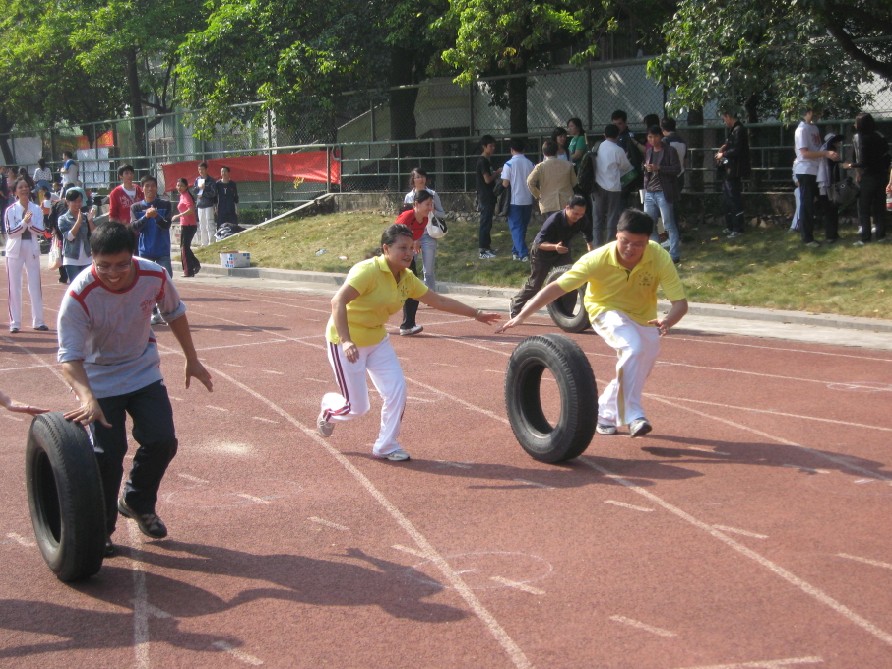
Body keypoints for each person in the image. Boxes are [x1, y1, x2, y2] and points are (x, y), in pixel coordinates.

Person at [58, 222, 213, 557]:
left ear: (133, 255)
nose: (113, 274)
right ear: (92, 258)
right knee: (108, 455)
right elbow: (69, 359)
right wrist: (87, 397)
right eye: (104, 266)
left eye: (121, 264)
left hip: (142, 370)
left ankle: (137, 501)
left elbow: (175, 313)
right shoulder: (79, 295)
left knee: (162, 440)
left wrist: (192, 359)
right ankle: (101, 529)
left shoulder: (154, 275)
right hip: (99, 378)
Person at [317, 223, 501, 461]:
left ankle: (386, 445)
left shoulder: (407, 278)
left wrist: (476, 313)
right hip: (346, 341)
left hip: (377, 340)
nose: (409, 253)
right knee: (357, 408)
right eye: (402, 248)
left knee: (397, 390)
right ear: (386, 249)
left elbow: (439, 301)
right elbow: (337, 301)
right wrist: (346, 341)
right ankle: (329, 410)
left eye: (411, 248)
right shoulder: (367, 271)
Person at [497, 209, 687, 438]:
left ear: (648, 241)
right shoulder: (597, 259)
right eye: (625, 241)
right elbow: (556, 287)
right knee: (632, 348)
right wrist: (522, 315)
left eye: (638, 244)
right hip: (604, 309)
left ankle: (604, 414)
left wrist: (668, 320)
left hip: (643, 316)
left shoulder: (658, 256)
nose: (630, 248)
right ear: (616, 235)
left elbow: (680, 304)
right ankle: (633, 415)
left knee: (637, 365)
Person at [509, 195, 592, 318]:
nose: (578, 217)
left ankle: (565, 314)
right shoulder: (554, 220)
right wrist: (555, 247)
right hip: (542, 252)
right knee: (535, 285)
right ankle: (515, 304)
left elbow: (588, 236)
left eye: (581, 214)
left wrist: (591, 252)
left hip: (562, 251)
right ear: (567, 208)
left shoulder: (582, 219)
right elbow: (539, 243)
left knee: (571, 281)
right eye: (575, 214)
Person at [4, 178, 48, 333]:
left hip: (31, 247)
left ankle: (39, 321)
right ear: (15, 191)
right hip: (14, 250)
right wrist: (24, 223)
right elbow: (11, 232)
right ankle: (15, 322)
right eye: (20, 187)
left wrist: (29, 224)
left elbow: (41, 230)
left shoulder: (36, 209)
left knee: (35, 284)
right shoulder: (10, 210)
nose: (24, 189)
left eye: (26, 187)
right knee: (14, 286)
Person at [131, 175, 173, 325]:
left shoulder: (165, 204)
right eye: (147, 186)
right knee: (147, 284)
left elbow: (167, 225)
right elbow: (134, 227)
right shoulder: (136, 207)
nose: (150, 189)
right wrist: (146, 217)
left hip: (162, 250)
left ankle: (166, 311)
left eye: (153, 186)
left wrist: (156, 217)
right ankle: (154, 313)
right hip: (145, 251)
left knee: (167, 280)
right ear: (142, 189)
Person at [794, 108, 839, 248]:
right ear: (808, 112)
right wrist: (825, 153)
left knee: (827, 202)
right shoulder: (801, 130)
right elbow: (805, 153)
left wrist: (828, 153)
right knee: (807, 205)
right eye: (815, 111)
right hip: (806, 171)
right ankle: (807, 238)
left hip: (818, 171)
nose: (818, 115)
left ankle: (831, 234)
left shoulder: (814, 128)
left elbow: (817, 148)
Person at [394, 189, 436, 336]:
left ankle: (408, 325)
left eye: (432, 204)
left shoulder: (424, 220)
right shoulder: (407, 216)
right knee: (380, 288)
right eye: (427, 204)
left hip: (406, 258)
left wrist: (414, 245)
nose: (430, 208)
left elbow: (414, 237)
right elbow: (392, 237)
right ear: (416, 204)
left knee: (413, 288)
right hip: (392, 258)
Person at [846, 112, 889, 246]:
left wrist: (850, 166)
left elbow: (862, 161)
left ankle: (865, 237)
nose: (855, 124)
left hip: (868, 176)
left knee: (864, 207)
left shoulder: (861, 138)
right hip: (881, 175)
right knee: (879, 206)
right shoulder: (880, 136)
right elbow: (887, 156)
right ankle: (881, 235)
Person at [643, 125, 683, 264]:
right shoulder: (649, 152)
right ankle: (656, 253)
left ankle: (674, 255)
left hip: (663, 192)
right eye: (650, 137)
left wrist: (659, 168)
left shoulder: (669, 150)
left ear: (661, 136)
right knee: (649, 224)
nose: (653, 140)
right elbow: (647, 173)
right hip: (649, 192)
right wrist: (647, 170)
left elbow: (676, 169)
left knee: (668, 224)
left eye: (655, 136)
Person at [402, 167, 445, 285]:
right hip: (412, 236)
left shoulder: (432, 194)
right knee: (409, 267)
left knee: (428, 271)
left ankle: (429, 293)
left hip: (428, 234)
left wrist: (433, 210)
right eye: (418, 177)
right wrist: (413, 239)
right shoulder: (409, 197)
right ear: (413, 180)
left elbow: (442, 214)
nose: (421, 179)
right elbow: (406, 219)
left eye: (423, 176)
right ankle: (410, 291)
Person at [593, 123, 633, 247]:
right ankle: (609, 244)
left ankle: (596, 244)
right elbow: (626, 166)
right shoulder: (618, 150)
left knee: (598, 217)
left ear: (604, 134)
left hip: (597, 186)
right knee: (612, 216)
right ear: (617, 135)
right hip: (614, 187)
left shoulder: (597, 147)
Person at [715, 110, 751, 238]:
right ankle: (730, 226)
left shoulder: (739, 130)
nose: (724, 122)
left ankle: (738, 228)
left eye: (724, 118)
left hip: (735, 170)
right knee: (727, 199)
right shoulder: (734, 130)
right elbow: (731, 145)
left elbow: (737, 149)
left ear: (728, 116)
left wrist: (723, 154)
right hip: (729, 169)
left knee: (734, 198)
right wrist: (724, 148)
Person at [500, 138, 536, 261]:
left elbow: (505, 183)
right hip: (528, 199)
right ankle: (516, 251)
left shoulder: (509, 164)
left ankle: (523, 253)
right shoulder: (530, 164)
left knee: (516, 227)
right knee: (523, 227)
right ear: (524, 149)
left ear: (511, 150)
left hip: (514, 200)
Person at [527, 139, 577, 219]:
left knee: (551, 225)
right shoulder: (568, 165)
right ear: (557, 151)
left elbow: (530, 182)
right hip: (566, 201)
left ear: (543, 153)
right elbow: (574, 183)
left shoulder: (540, 167)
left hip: (548, 203)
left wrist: (538, 195)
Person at [57, 188, 96, 284]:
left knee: (89, 286)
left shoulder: (86, 216)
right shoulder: (63, 219)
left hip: (87, 258)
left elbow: (95, 234)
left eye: (80, 201)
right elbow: (69, 237)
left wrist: (90, 221)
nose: (78, 204)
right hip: (71, 259)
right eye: (74, 201)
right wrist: (78, 222)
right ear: (67, 202)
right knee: (76, 286)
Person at [475, 135, 501, 259]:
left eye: (494, 146)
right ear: (484, 147)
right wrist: (497, 173)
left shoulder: (487, 160)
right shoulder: (482, 161)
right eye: (490, 146)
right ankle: (482, 250)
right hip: (485, 196)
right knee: (485, 222)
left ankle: (487, 246)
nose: (493, 148)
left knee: (488, 222)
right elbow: (487, 179)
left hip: (489, 195)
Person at [816, 133, 844, 244]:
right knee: (830, 209)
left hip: (830, 184)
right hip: (826, 184)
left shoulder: (829, 151)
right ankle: (830, 235)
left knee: (833, 209)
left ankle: (833, 233)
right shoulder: (827, 151)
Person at [170, 178, 200, 277]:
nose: (179, 188)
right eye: (178, 185)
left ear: (186, 186)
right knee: (184, 247)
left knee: (184, 248)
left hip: (189, 225)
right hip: (185, 225)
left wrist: (178, 216)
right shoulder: (182, 196)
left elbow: (191, 210)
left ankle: (188, 271)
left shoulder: (187, 196)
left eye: (181, 186)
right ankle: (195, 264)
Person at [194, 162, 217, 247]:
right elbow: (194, 191)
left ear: (206, 169)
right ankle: (204, 243)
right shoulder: (197, 179)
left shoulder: (211, 180)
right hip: (200, 205)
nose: (201, 171)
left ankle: (212, 243)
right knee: (202, 225)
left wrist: (204, 192)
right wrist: (198, 188)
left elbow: (213, 193)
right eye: (199, 169)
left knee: (210, 224)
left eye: (202, 169)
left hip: (209, 205)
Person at [215, 166, 239, 231]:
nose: (223, 173)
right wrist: (216, 207)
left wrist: (236, 208)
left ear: (228, 173)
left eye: (225, 171)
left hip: (231, 208)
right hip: (221, 208)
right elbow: (215, 197)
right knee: (221, 226)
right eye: (222, 171)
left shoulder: (232, 184)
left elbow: (235, 197)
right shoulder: (217, 184)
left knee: (233, 226)